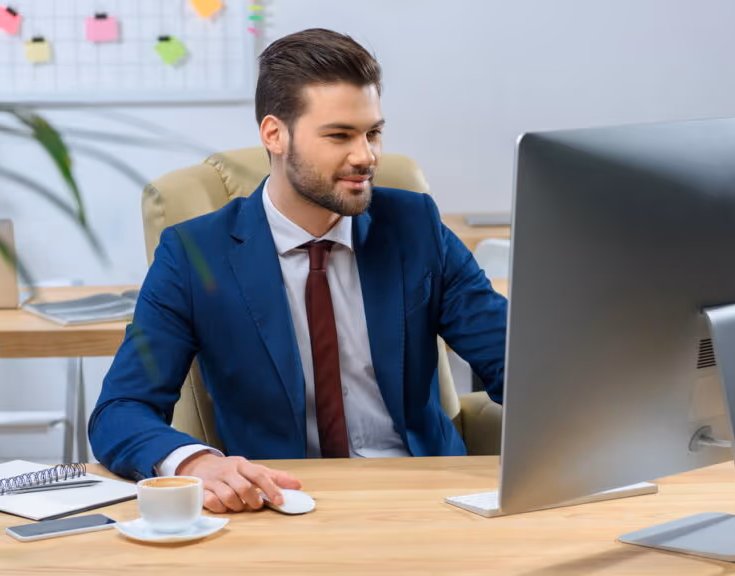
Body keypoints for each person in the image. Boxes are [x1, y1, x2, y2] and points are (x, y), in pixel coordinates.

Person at [90, 28, 507, 514]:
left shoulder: (415, 227)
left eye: (373, 132)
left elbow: (513, 360)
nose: (366, 156)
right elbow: (120, 410)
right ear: (275, 134)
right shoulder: (193, 254)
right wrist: (195, 464)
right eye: (339, 135)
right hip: (279, 502)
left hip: (426, 496)